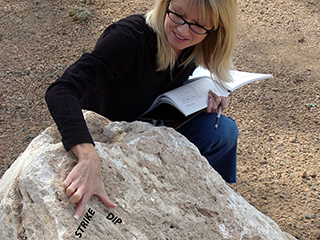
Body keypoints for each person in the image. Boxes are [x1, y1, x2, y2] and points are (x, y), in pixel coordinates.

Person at [45, 0, 238, 220]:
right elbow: (61, 90)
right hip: (112, 137)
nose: (183, 30)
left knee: (223, 131)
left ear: (215, 28)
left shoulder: (197, 46)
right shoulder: (127, 40)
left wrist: (201, 100)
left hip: (152, 121)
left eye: (198, 25)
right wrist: (88, 156)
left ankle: (217, 201)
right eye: (178, 14)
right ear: (166, 4)